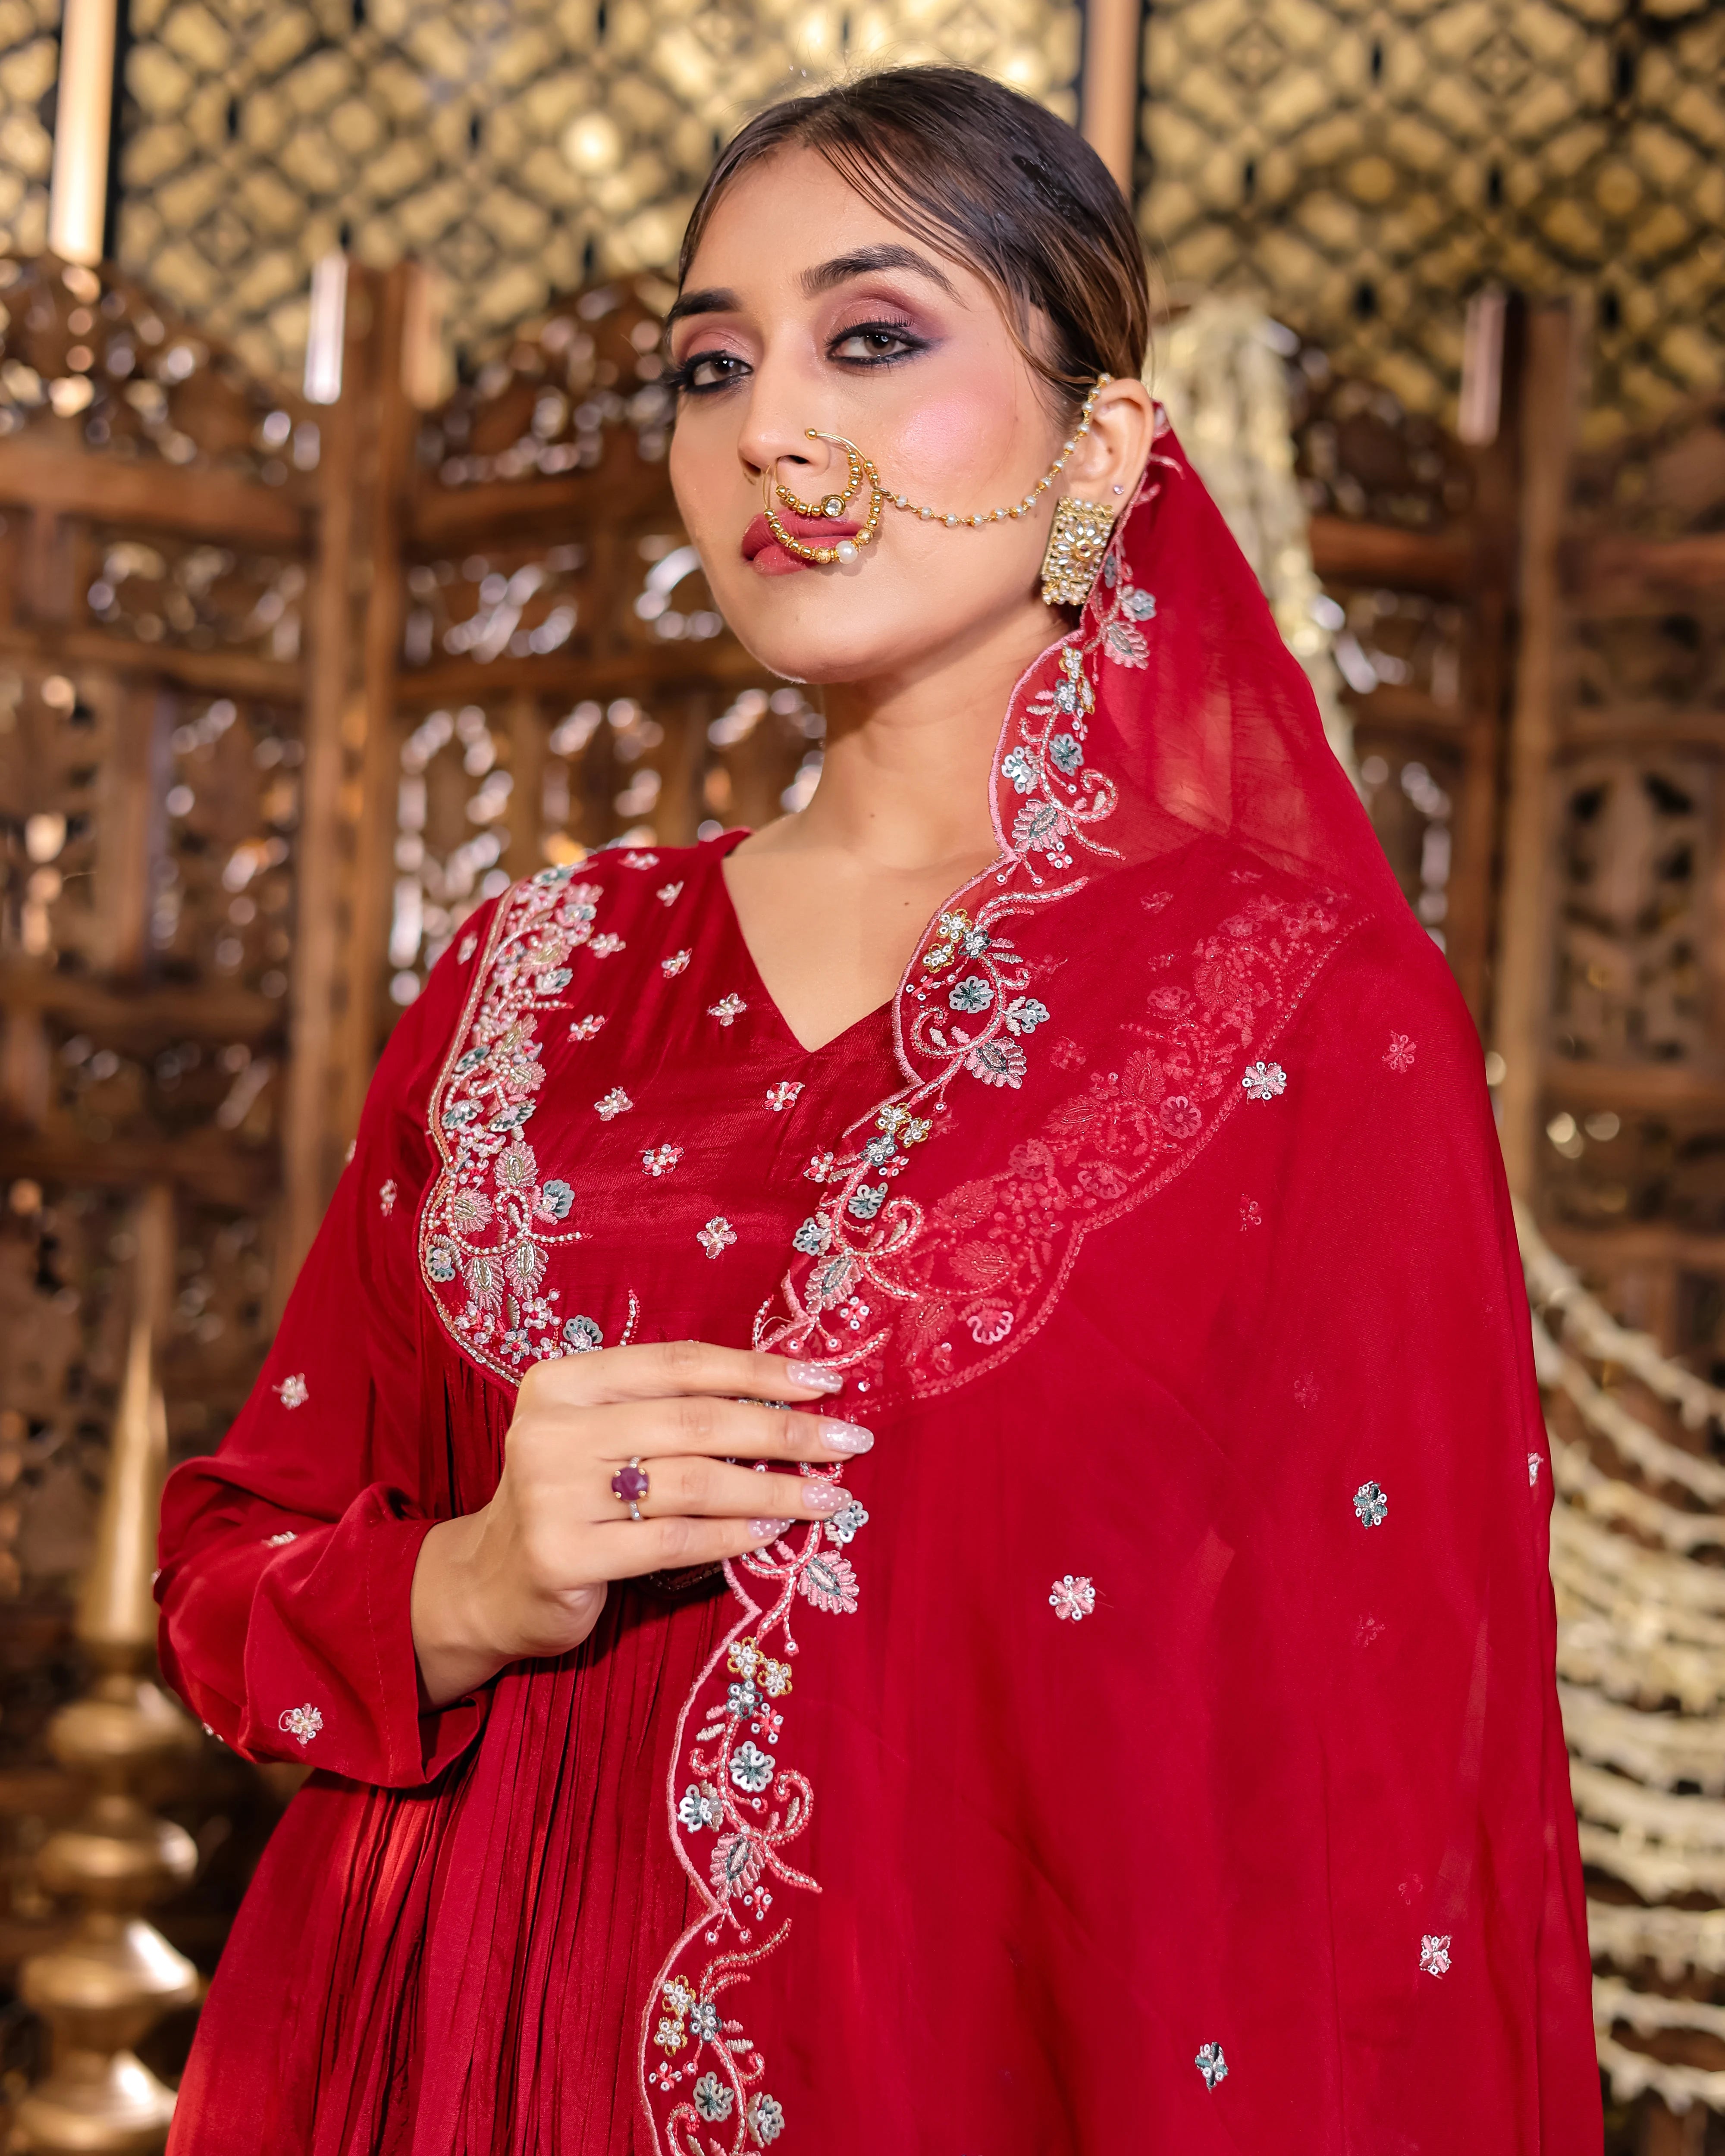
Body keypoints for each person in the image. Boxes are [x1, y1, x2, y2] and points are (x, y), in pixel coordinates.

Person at [155, 64, 1600, 2154]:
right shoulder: (532, 978)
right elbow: (233, 1573)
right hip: (447, 2060)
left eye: (874, 337)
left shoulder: (1302, 1011)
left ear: (1099, 441)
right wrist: (469, 1582)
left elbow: (1385, 1822)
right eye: (708, 365)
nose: (771, 429)